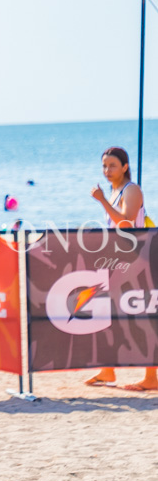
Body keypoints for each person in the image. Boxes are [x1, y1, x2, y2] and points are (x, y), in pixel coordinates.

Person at [88, 146, 158, 392]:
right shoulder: (116, 191)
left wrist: (102, 201)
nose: (107, 171)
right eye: (104, 166)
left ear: (125, 167)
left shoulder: (132, 190)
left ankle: (151, 377)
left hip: (140, 259)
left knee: (144, 315)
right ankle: (108, 370)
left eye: (113, 166)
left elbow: (126, 222)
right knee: (109, 312)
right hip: (121, 260)